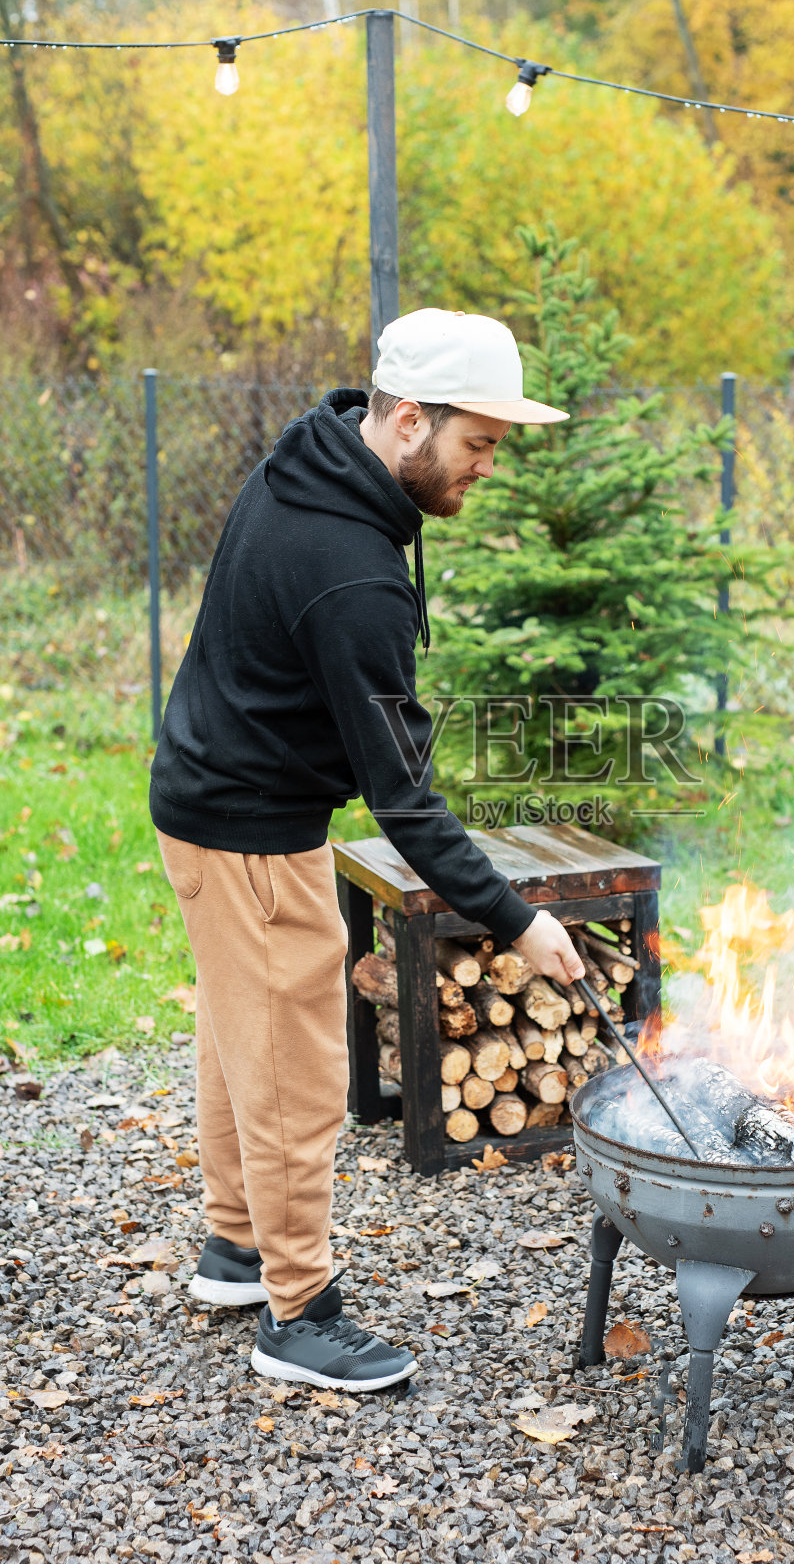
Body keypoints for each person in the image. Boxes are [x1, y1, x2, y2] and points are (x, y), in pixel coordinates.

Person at [150, 308, 585, 1393]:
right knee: (297, 1067)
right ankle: (298, 1315)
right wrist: (517, 918)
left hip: (207, 797)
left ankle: (235, 1247)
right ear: (403, 421)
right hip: (249, 826)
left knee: (234, 1028)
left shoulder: (312, 460)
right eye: (478, 443)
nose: (487, 466)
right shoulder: (353, 573)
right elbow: (403, 798)